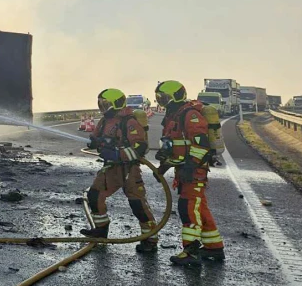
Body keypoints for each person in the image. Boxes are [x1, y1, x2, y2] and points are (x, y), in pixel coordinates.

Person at [155, 80, 225, 268]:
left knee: (188, 206)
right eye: (159, 98)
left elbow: (201, 144)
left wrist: (191, 166)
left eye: (164, 98)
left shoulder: (190, 114)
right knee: (199, 206)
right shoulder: (173, 116)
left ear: (176, 96)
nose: (161, 101)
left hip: (194, 170)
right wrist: (163, 165)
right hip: (185, 169)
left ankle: (191, 251)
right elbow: (175, 146)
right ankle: (213, 247)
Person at [80, 88, 158, 253]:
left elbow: (140, 147)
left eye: (105, 104)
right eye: (101, 104)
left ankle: (150, 239)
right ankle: (101, 230)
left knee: (137, 205)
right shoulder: (103, 121)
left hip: (129, 169)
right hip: (111, 168)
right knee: (94, 195)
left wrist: (117, 153)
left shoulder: (129, 122)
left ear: (116, 104)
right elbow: (97, 137)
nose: (102, 107)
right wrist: (95, 142)